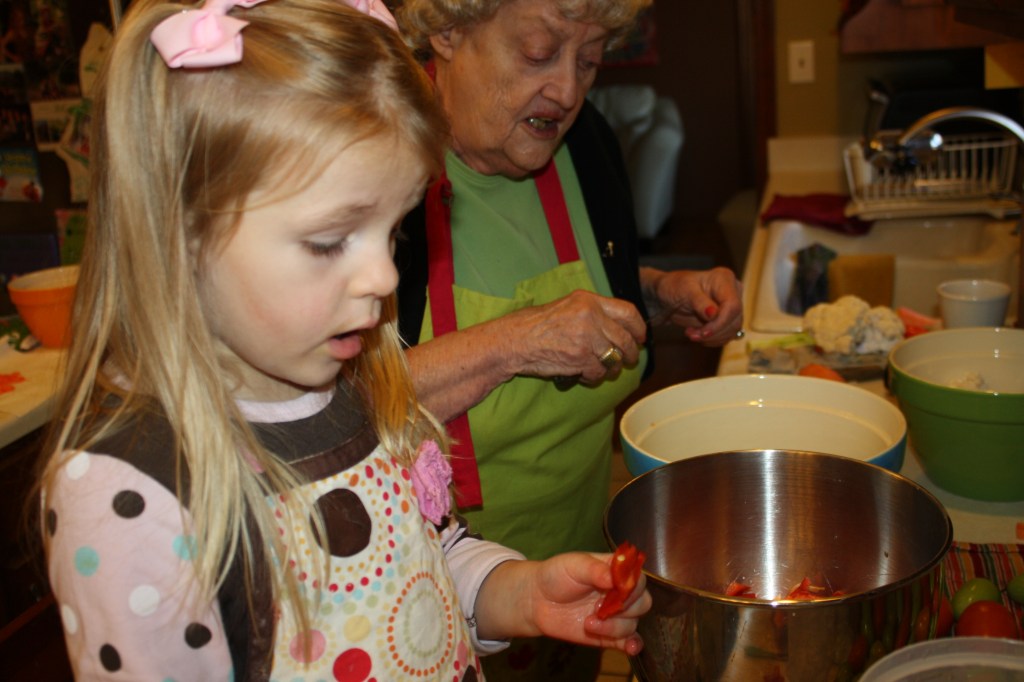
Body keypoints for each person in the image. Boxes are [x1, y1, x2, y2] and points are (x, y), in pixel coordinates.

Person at [35, 1, 650, 679]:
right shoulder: (133, 494)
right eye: (330, 241)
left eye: (394, 231)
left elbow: (427, 558)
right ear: (178, 235)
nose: (385, 275)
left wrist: (521, 593)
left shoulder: (363, 394)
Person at [393, 0, 744, 678]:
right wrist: (518, 342)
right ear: (448, 30)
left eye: (588, 61)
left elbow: (575, 280)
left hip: (581, 584)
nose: (567, 91)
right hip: (437, 601)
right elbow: (332, 410)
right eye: (538, 52)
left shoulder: (586, 144)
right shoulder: (373, 159)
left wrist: (657, 292)